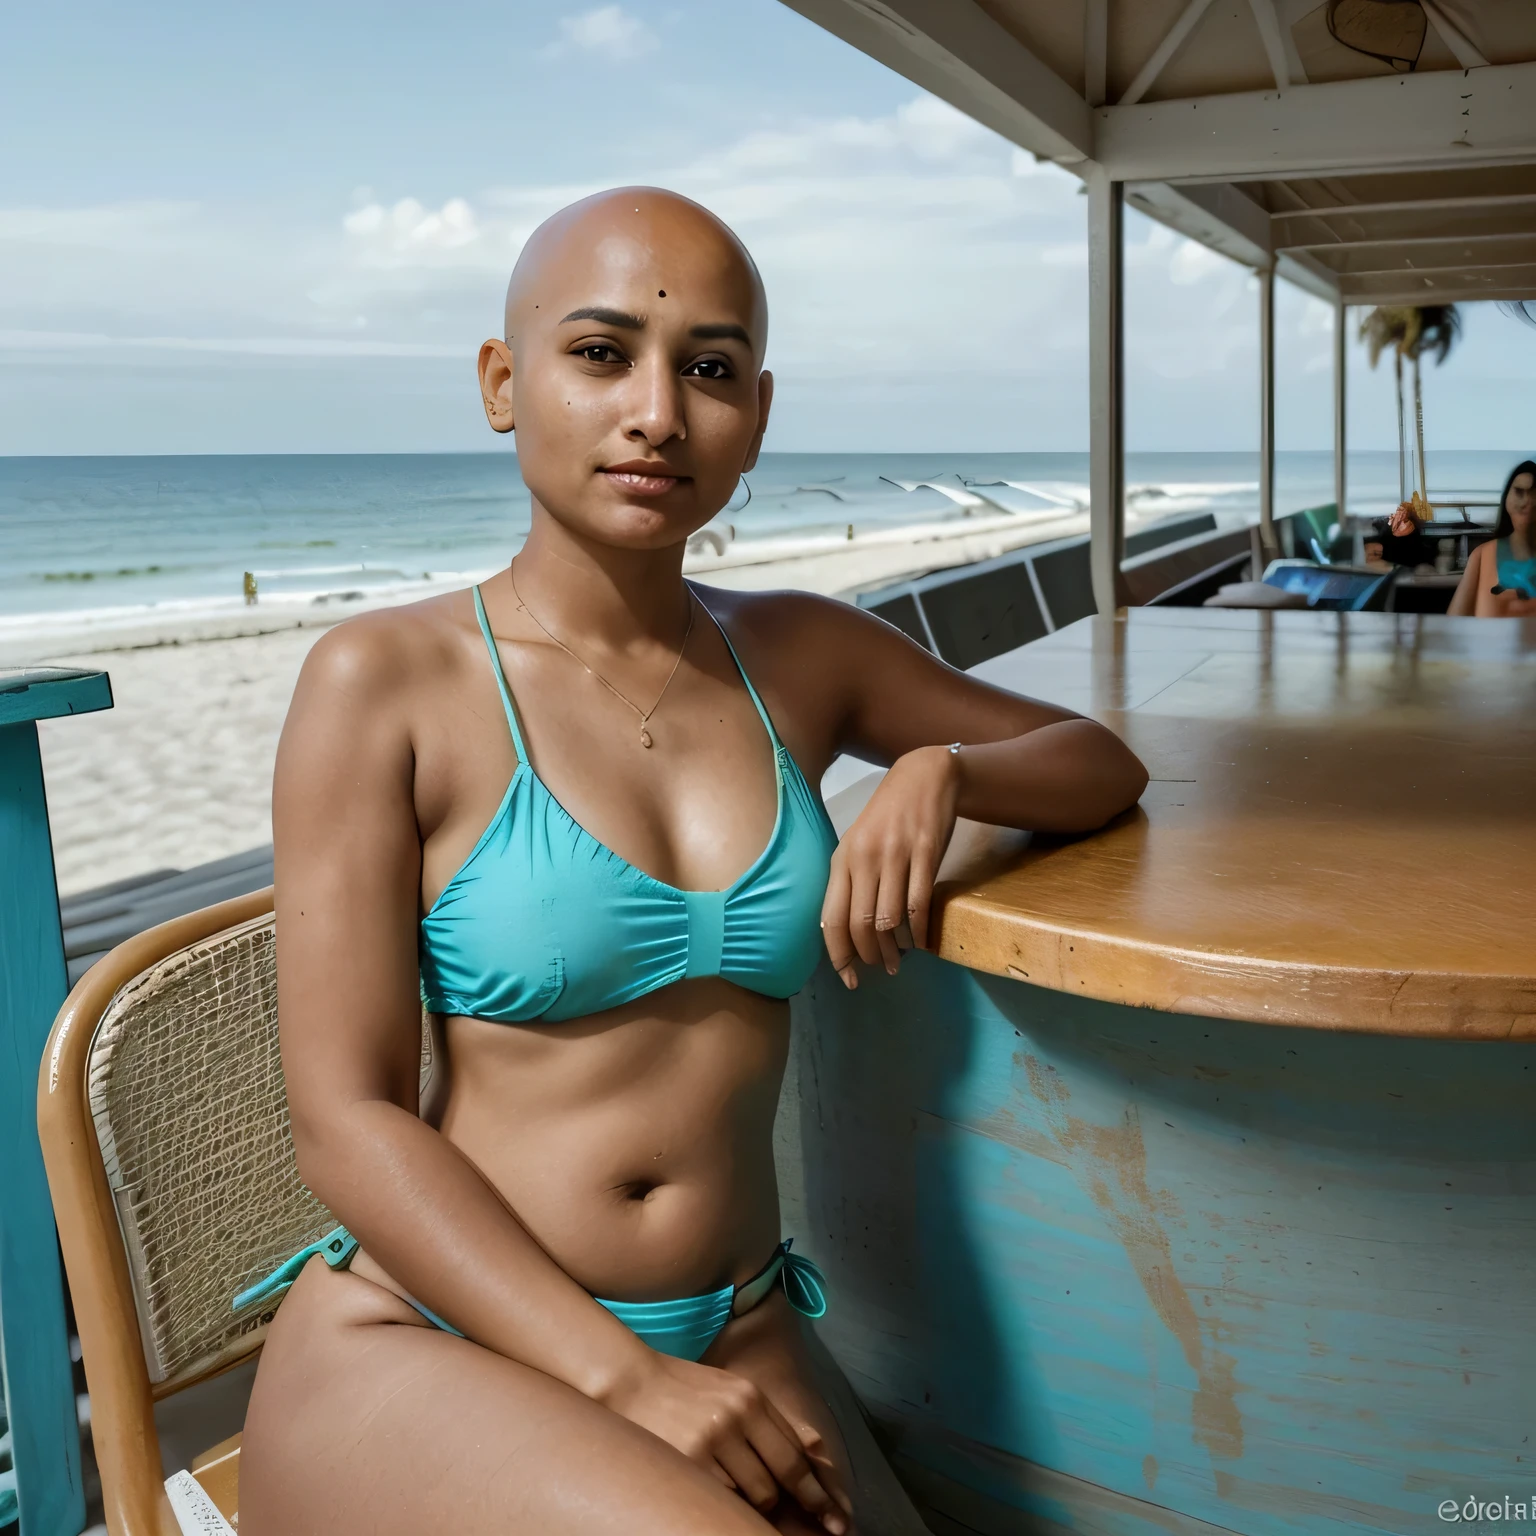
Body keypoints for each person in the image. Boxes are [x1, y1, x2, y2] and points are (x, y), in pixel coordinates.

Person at [238, 187, 1149, 1536]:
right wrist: (622, 1379)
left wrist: (943, 772)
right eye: (600, 354)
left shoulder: (801, 654)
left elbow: (1098, 767)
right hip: (443, 1341)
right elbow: (348, 1122)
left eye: (708, 370)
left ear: (759, 418)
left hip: (732, 1328)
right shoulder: (384, 683)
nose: (658, 412)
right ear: (504, 383)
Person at [1448, 460, 1536, 617]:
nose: (1526, 502)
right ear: (1507, 497)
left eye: (1534, 493)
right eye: (1519, 492)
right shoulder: (1482, 555)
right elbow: (1454, 622)